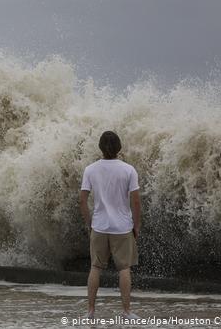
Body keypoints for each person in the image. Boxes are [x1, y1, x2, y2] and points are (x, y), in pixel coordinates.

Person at [79, 131, 141, 320]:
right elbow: (136, 202)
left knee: (95, 268)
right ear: (119, 147)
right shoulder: (128, 170)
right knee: (124, 269)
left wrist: (90, 223)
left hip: (99, 226)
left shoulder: (90, 169)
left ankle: (90, 311)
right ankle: (126, 312)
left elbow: (82, 200)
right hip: (122, 227)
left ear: (100, 147)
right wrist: (136, 226)